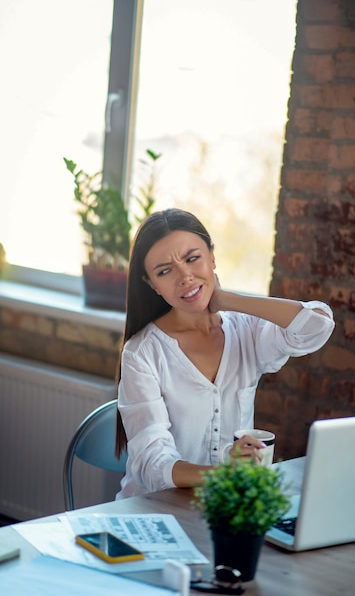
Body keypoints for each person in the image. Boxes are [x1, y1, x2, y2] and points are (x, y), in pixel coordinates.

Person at [115, 208, 334, 498]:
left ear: (212, 257)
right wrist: (226, 475)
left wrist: (226, 299)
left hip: (225, 508)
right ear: (152, 284)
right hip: (154, 512)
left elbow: (317, 325)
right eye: (165, 271)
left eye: (193, 259)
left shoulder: (247, 331)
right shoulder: (142, 353)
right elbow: (151, 463)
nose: (185, 277)